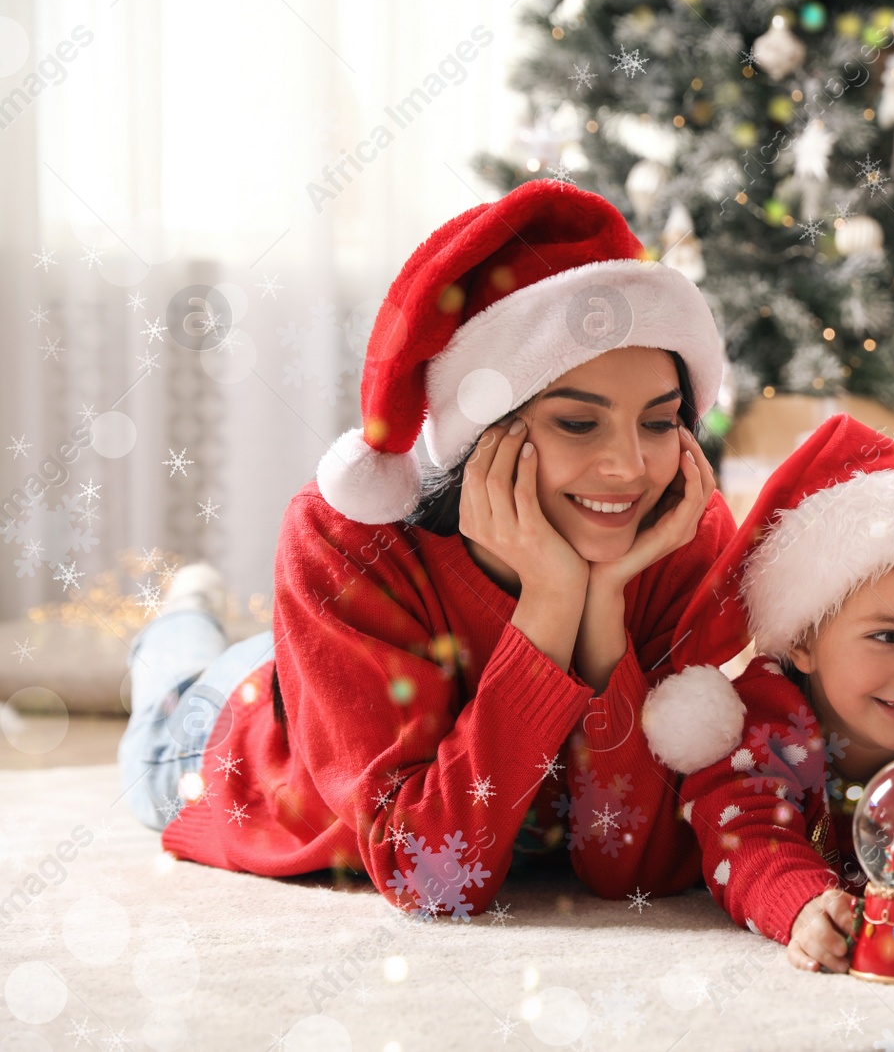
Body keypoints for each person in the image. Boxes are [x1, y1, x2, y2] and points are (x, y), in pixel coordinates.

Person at [116, 180, 746, 918]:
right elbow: (431, 874)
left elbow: (634, 866)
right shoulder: (345, 537)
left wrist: (602, 610)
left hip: (351, 661)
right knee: (175, 680)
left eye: (659, 421)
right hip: (220, 738)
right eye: (579, 424)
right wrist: (549, 601)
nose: (631, 467)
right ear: (482, 433)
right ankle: (178, 616)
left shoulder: (680, 531)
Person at [647, 415, 894, 976]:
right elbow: (745, 837)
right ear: (805, 641)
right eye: (887, 636)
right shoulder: (761, 726)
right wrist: (803, 904)